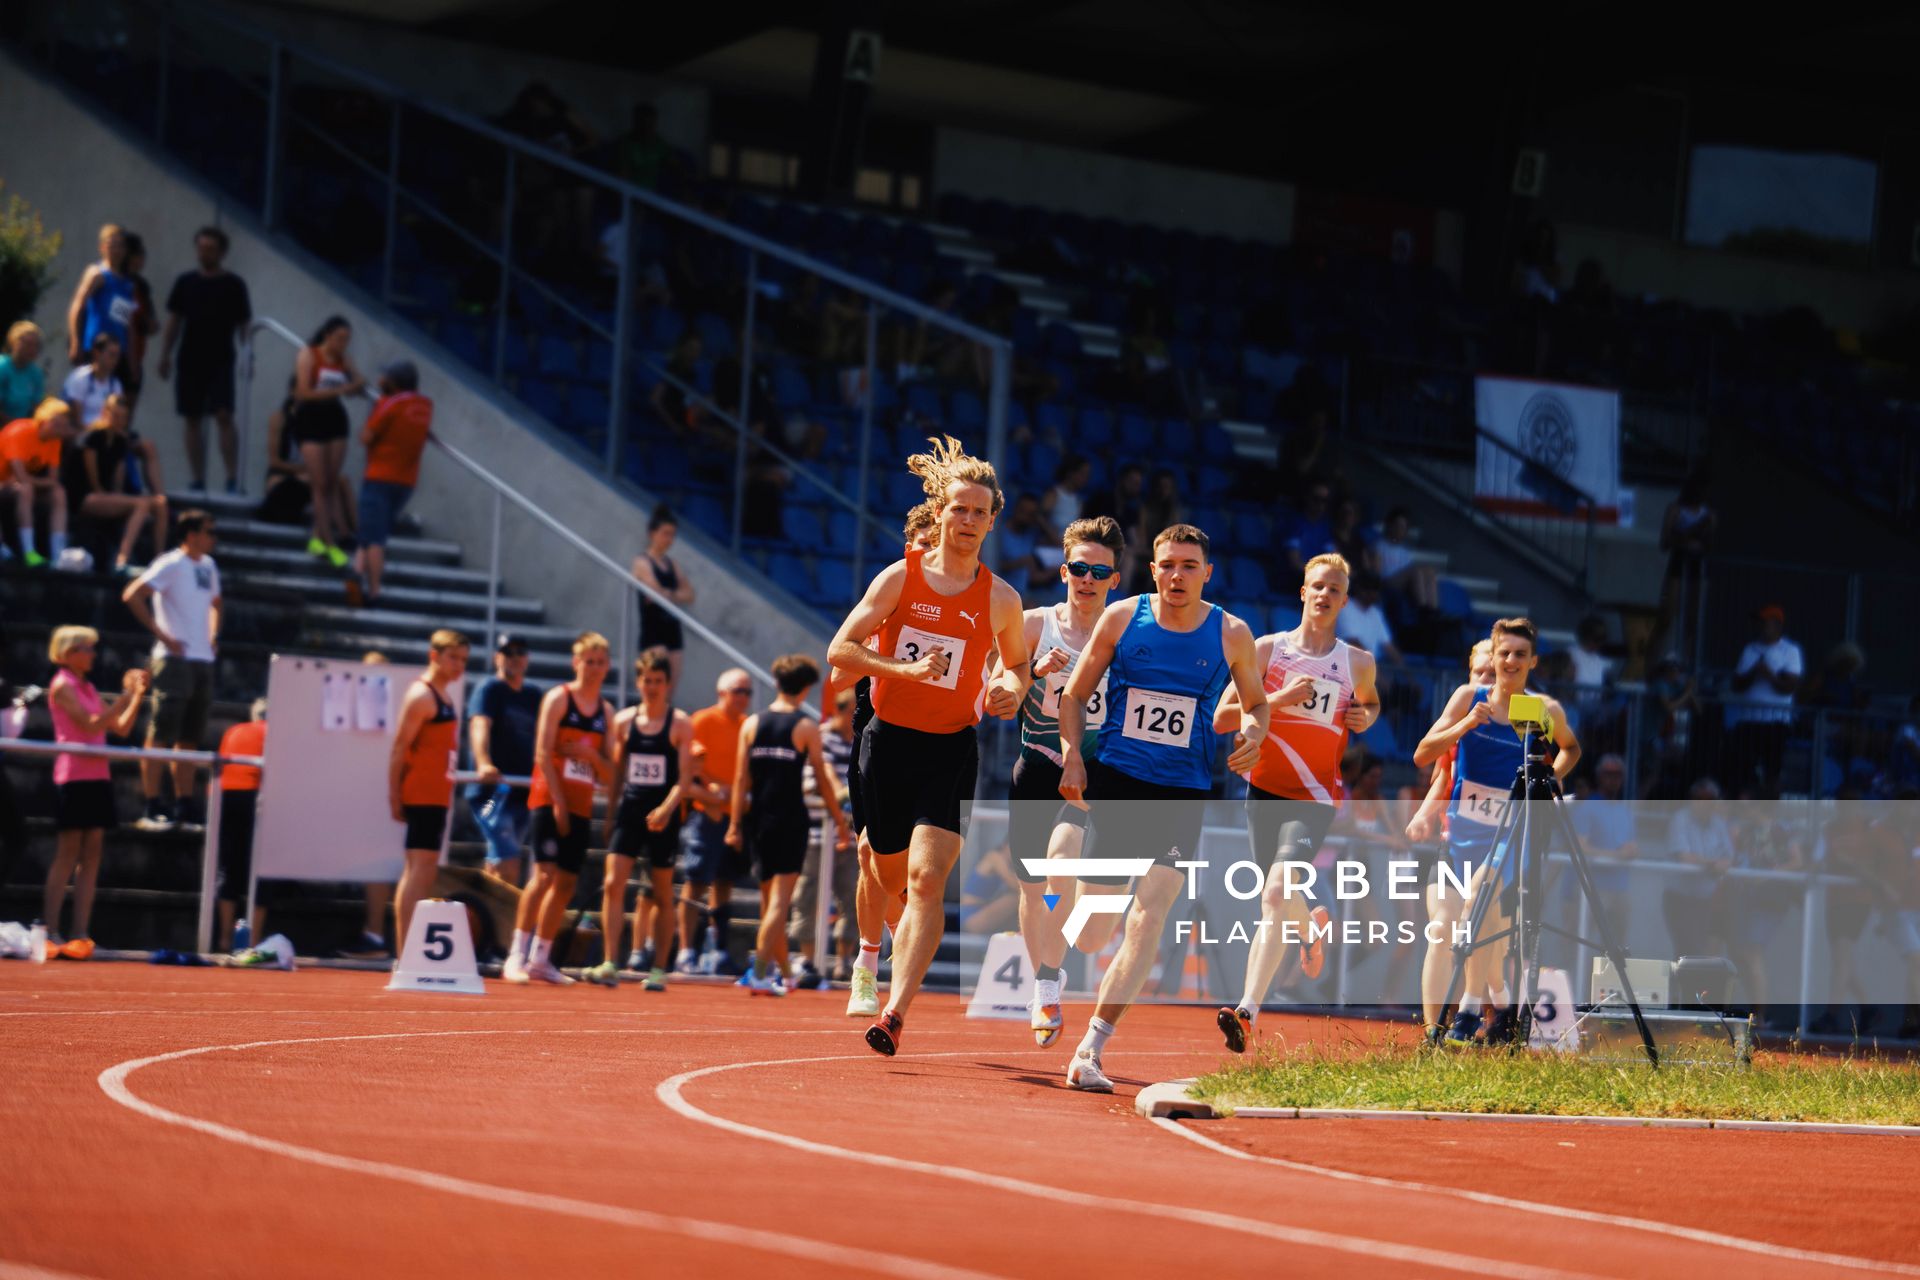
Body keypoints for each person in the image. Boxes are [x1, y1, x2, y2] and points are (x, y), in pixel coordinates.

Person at [828, 436, 1028, 1056]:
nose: (968, 521)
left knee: (926, 880)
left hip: (950, 748)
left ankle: (894, 1013)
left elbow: (1016, 666)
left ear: (993, 521)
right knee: (885, 874)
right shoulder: (900, 577)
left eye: (980, 512)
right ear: (939, 513)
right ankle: (876, 951)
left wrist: (1009, 689)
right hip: (887, 744)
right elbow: (839, 651)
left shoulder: (1001, 598)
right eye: (959, 509)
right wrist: (903, 670)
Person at [1052, 523, 1268, 1090]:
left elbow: (1256, 704)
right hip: (1119, 780)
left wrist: (1252, 734)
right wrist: (1073, 754)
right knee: (1093, 934)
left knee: (1151, 914)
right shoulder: (1123, 617)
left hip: (1185, 791)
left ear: (1207, 573)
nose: (1177, 575)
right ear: (1153, 570)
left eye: (1189, 566)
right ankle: (1066, 897)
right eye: (1167, 564)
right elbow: (1073, 694)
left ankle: (1091, 1049)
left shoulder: (1232, 632)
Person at [1214, 553, 1380, 1053]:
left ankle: (1246, 1010)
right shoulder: (1267, 650)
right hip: (1262, 792)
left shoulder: (1357, 662)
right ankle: (1310, 928)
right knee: (1279, 899)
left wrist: (1365, 718)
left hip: (1314, 797)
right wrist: (1279, 699)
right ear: (1302, 593)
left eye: (1334, 589)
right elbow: (1223, 716)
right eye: (1317, 586)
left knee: (1274, 894)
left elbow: (1370, 703)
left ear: (1344, 600)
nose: (1324, 595)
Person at [1413, 618, 1580, 1047]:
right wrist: (1465, 725)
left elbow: (1571, 747)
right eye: (1504, 653)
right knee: (1443, 931)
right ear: (1494, 653)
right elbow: (1423, 754)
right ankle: (1434, 1035)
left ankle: (1470, 1008)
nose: (1510, 661)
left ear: (1533, 661)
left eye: (1520, 655)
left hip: (1508, 837)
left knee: (1478, 896)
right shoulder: (1470, 698)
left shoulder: (1540, 710)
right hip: (1458, 838)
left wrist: (1548, 780)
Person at [1003, 515, 1126, 1048]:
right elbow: (996, 693)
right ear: (1064, 571)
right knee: (1034, 891)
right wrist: (1031, 670)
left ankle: (1053, 972)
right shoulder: (1034, 625)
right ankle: (1044, 985)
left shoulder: (1124, 633)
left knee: (1064, 880)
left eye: (1100, 571)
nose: (1088, 579)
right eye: (1080, 568)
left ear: (1115, 580)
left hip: (1092, 768)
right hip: (1036, 763)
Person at [836, 499, 940, 1017]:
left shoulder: (958, 602)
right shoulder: (888, 596)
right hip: (873, 736)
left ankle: (900, 933)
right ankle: (866, 964)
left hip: (935, 740)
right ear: (910, 549)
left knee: (912, 868)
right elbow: (836, 674)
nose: (931, 556)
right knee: (867, 855)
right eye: (924, 546)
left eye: (937, 547)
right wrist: (894, 658)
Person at [727, 654, 848, 994]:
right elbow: (823, 781)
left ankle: (786, 975)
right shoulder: (806, 727)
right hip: (791, 820)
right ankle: (760, 972)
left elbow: (740, 779)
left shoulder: (751, 724)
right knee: (779, 903)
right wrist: (840, 822)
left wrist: (735, 824)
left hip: (759, 820)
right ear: (807, 687)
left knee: (770, 904)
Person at [504, 631, 615, 985]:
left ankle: (542, 957)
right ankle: (515, 955)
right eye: (588, 661)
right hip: (549, 799)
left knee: (566, 883)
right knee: (544, 876)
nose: (594, 669)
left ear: (607, 666)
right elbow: (542, 753)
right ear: (576, 662)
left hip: (581, 804)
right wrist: (559, 803)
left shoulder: (606, 711)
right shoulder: (559, 698)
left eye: (600, 662)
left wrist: (592, 756)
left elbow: (611, 774)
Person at [44, 626, 148, 959]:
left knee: (92, 855)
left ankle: (80, 932)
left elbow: (119, 726)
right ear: (68, 651)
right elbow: (91, 724)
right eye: (86, 648)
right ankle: (50, 930)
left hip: (96, 774)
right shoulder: (63, 685)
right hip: (74, 775)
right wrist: (122, 697)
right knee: (68, 851)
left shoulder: (86, 686)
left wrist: (135, 696)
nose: (92, 654)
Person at [596, 650, 697, 990]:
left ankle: (658, 968)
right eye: (646, 681)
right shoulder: (624, 722)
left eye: (658, 681)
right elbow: (618, 772)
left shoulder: (680, 723)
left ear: (667, 684)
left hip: (663, 813)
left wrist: (667, 809)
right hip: (630, 809)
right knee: (613, 883)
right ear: (638, 682)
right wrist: (611, 814)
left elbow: (684, 779)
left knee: (662, 891)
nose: (651, 687)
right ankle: (610, 960)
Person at [123, 510, 222, 831]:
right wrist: (164, 636)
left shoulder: (208, 565)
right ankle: (152, 804)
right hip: (174, 659)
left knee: (190, 738)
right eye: (208, 531)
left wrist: (213, 634)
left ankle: (184, 804)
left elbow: (216, 603)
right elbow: (133, 594)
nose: (213, 537)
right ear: (191, 534)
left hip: (202, 660)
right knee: (161, 733)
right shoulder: (170, 563)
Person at [389, 629, 469, 957]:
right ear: (433, 656)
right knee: (419, 869)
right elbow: (399, 748)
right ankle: (405, 949)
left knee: (425, 869)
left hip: (437, 793)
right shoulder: (422, 696)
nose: (458, 666)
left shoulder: (445, 696)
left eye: (463, 660)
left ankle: (410, 947)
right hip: (422, 793)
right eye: (452, 658)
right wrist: (394, 795)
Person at [158, 226, 252, 494]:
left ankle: (232, 478)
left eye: (210, 249)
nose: (205, 253)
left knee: (224, 415)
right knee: (192, 418)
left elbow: (244, 323)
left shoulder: (234, 284)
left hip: (222, 358)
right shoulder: (185, 282)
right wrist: (165, 355)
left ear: (221, 252)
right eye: (201, 248)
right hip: (190, 358)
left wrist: (248, 355)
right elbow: (174, 322)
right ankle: (197, 479)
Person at [677, 668, 754, 975]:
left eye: (747, 692)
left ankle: (717, 948)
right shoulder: (703, 721)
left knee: (724, 882)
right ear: (722, 692)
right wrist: (713, 790)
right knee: (695, 882)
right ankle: (686, 950)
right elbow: (691, 764)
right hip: (707, 814)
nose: (743, 698)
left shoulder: (749, 725)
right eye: (738, 691)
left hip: (734, 815)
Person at [790, 685, 858, 985]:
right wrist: (842, 798)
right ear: (841, 710)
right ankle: (807, 960)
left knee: (855, 900)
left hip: (853, 839)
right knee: (807, 897)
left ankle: (845, 962)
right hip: (818, 835)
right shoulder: (822, 737)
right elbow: (820, 778)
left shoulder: (861, 740)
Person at [466, 634, 541, 888]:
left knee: (500, 861)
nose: (515, 658)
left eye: (520, 652)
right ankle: (502, 923)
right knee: (508, 860)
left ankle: (486, 916)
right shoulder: (490, 689)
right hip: (494, 792)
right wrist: (483, 762)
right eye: (508, 652)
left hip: (523, 791)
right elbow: (479, 725)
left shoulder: (533, 694)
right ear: (497, 657)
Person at [289, 316, 365, 568]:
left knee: (331, 481)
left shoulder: (344, 360)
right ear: (328, 335)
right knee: (319, 482)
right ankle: (330, 542)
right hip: (311, 417)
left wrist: (354, 383)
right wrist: (341, 390)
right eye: (340, 339)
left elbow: (359, 382)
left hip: (334, 418)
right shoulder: (309, 355)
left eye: (347, 340)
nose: (343, 344)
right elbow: (303, 392)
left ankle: (316, 537)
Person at [63, 394, 167, 574]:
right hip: (85, 496)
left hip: (105, 496)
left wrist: (118, 496)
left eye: (123, 417)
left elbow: (117, 480)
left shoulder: (120, 441)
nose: (120, 421)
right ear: (105, 413)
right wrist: (112, 496)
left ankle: (159, 561)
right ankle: (122, 560)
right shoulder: (92, 437)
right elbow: (93, 480)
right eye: (115, 416)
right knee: (141, 504)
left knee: (160, 504)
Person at [355, 360, 432, 602]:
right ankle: (355, 577)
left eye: (385, 377)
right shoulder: (425, 406)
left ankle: (374, 590)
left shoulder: (391, 404)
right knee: (370, 535)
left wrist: (376, 407)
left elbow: (366, 437)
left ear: (395, 382)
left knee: (374, 539)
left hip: (380, 476)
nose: (379, 382)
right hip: (406, 481)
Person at [1728, 605, 1802, 796]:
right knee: (1741, 768)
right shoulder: (1749, 648)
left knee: (1773, 771)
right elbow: (1736, 685)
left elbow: (1789, 687)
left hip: (1775, 722)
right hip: (1749, 720)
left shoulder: (1790, 651)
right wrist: (1754, 672)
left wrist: (1770, 675)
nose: (1761, 625)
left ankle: (1771, 812)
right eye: (1759, 621)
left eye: (1765, 621)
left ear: (1777, 625)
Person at [215, 699, 269, 950]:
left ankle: (225, 938)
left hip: (227, 797)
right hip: (257, 796)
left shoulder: (234, 731)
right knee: (262, 871)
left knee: (229, 867)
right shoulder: (275, 732)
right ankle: (253, 941)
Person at [3, 399, 79, 568]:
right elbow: (21, 477)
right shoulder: (19, 432)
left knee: (58, 493)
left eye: (64, 426)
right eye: (57, 424)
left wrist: (39, 482)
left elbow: (53, 480)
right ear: (45, 421)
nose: (61, 431)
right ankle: (28, 551)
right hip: (3, 483)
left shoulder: (55, 440)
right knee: (26, 489)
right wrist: (40, 482)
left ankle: (57, 554)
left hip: (17, 484)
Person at [633, 505, 695, 689]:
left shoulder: (671, 563)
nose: (669, 539)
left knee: (670, 686)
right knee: (655, 683)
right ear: (652, 533)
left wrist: (670, 594)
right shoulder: (642, 562)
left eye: (672, 535)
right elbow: (657, 592)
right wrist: (675, 594)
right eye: (665, 533)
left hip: (672, 628)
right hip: (653, 629)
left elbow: (690, 594)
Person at [64, 224, 133, 365]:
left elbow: (126, 321)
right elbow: (77, 306)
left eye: (120, 246)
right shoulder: (97, 274)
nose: (116, 250)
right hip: (96, 350)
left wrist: (132, 358)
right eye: (112, 245)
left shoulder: (126, 284)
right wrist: (75, 341)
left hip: (118, 351)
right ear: (102, 247)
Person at [118, 233, 159, 411]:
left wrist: (149, 323)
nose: (141, 261)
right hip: (117, 356)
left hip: (136, 357)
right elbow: (122, 320)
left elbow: (150, 321)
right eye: (138, 256)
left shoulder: (141, 285)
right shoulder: (115, 281)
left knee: (127, 411)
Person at [61, 333, 125, 430]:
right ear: (97, 353)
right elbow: (77, 422)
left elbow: (118, 420)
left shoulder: (116, 385)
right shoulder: (80, 378)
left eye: (117, 356)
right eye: (111, 355)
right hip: (78, 435)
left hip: (103, 435)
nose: (115, 360)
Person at [0, 321, 46, 420]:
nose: (32, 350)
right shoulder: (2, 367)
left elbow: (36, 406)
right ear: (13, 342)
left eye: (36, 346)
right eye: (28, 344)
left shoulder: (36, 374)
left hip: (21, 426)